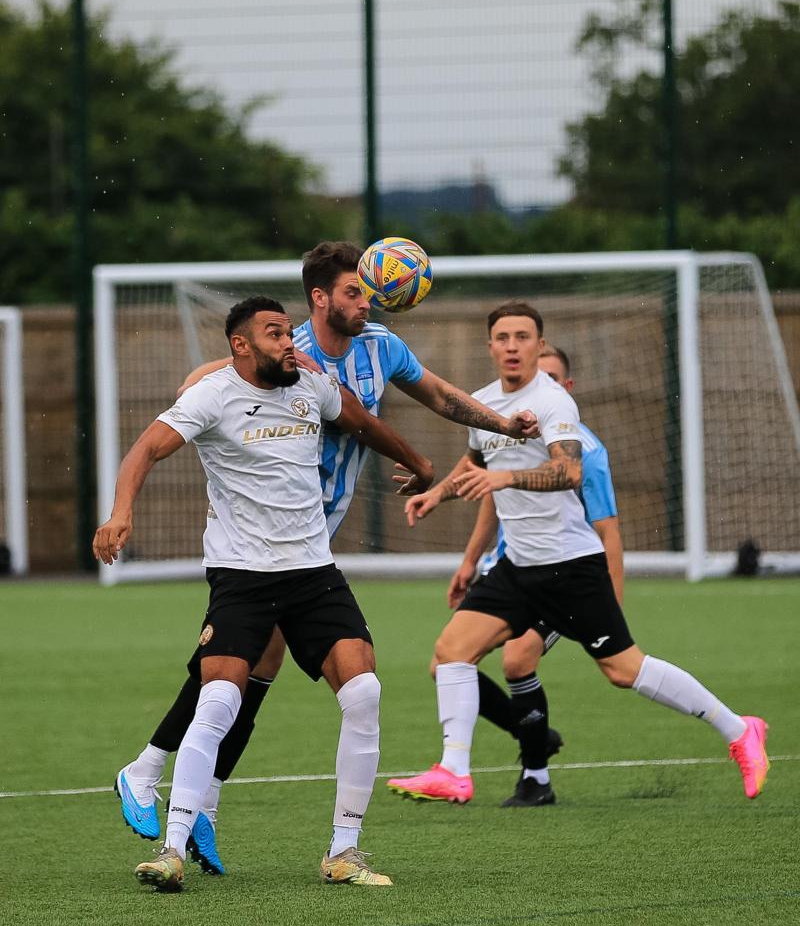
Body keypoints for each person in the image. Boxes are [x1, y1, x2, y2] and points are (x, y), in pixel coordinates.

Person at [115, 241, 539, 874]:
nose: (366, 302)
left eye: (370, 292)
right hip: (254, 540)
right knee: (235, 677)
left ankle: (194, 795)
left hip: (312, 539)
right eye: (354, 292)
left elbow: (439, 397)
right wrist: (201, 393)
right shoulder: (290, 357)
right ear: (320, 298)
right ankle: (167, 783)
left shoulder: (380, 347)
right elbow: (213, 382)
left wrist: (501, 428)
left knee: (255, 675)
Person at [95, 295, 442, 891]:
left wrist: (420, 462)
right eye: (276, 334)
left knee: (364, 692)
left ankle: (344, 851)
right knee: (218, 701)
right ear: (241, 344)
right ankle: (172, 848)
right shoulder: (212, 394)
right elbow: (145, 448)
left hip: (313, 574)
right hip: (241, 577)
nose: (290, 343)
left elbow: (360, 421)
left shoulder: (312, 384)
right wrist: (121, 511)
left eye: (289, 332)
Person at [386, 300, 769, 811]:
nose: (513, 346)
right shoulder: (482, 403)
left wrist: (502, 479)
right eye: (503, 337)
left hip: (569, 567)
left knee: (623, 670)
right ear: (491, 346)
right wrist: (439, 493)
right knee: (451, 652)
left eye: (524, 337)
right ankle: (454, 770)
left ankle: (740, 729)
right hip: (518, 567)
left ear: (539, 346)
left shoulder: (553, 403)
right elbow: (478, 457)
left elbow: (567, 473)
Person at [397, 342, 622, 807]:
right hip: (512, 571)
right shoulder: (512, 431)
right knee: (446, 664)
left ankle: (535, 776)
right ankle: (532, 734)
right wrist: (469, 561)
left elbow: (608, 531)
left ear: (566, 389)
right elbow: (491, 499)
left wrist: (610, 604)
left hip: (565, 574)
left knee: (519, 661)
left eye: (556, 381)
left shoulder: (586, 453)